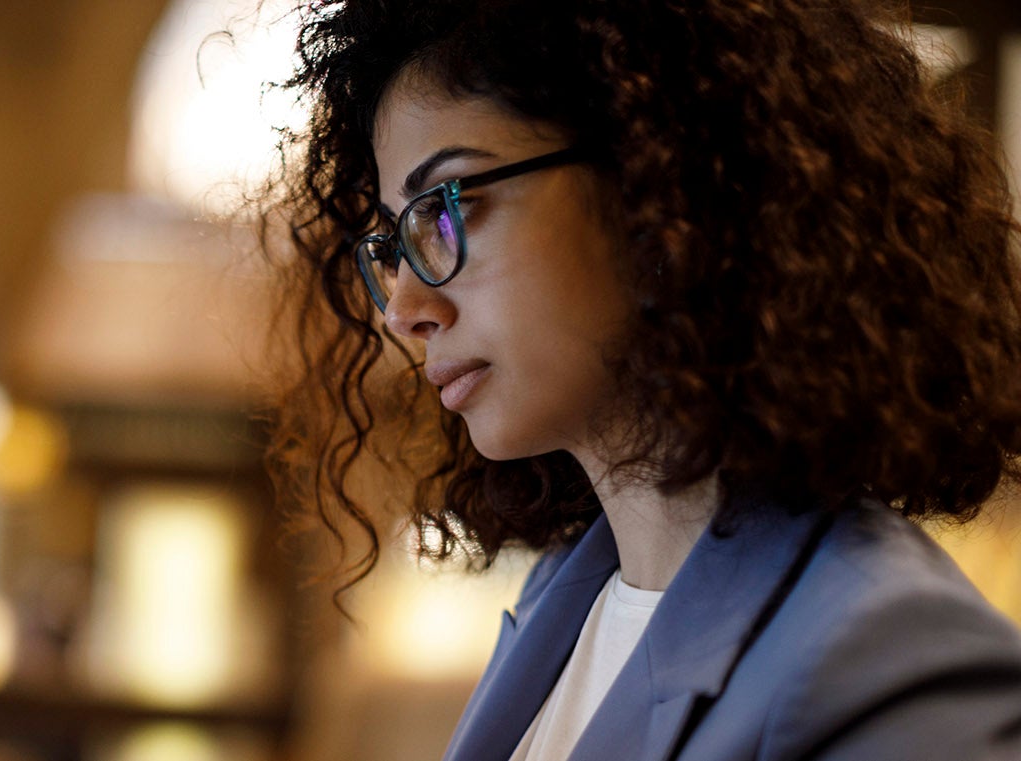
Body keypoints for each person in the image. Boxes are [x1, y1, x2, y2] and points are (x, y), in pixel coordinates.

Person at [263, 0, 1021, 759]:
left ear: (661, 178)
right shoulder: (567, 598)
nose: (404, 307)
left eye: (447, 206)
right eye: (395, 243)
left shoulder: (893, 666)